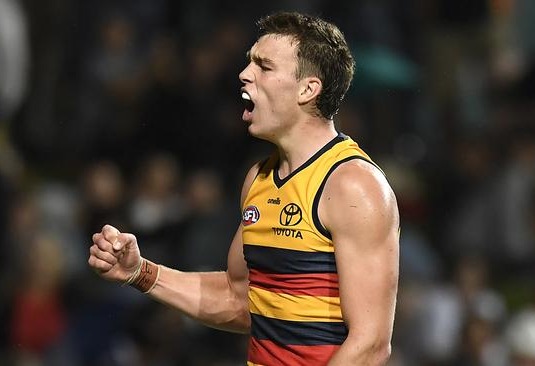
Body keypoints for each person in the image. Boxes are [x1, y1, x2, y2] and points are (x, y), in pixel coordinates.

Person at [88, 11, 400, 366]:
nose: (244, 74)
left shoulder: (354, 186)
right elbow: (239, 300)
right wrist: (140, 272)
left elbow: (371, 344)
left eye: (264, 67)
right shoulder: (258, 179)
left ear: (308, 89)